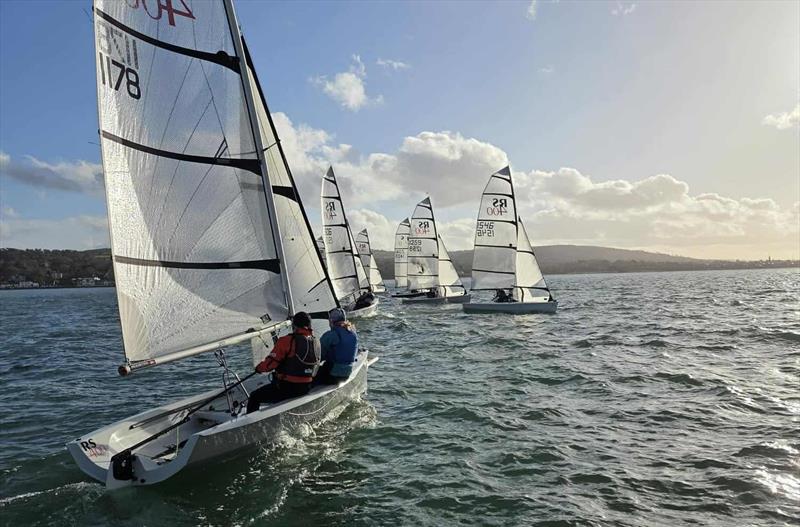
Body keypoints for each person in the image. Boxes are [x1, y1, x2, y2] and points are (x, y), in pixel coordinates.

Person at [246, 311, 320, 413]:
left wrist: (259, 368)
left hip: (288, 387)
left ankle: (252, 422)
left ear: (294, 325)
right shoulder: (316, 341)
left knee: (254, 397)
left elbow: (270, 364)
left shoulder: (287, 340)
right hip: (306, 386)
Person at [316, 308, 358, 385]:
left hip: (333, 375)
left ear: (331, 321)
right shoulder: (353, 333)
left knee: (311, 374)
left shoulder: (331, 335)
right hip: (347, 373)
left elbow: (318, 355)